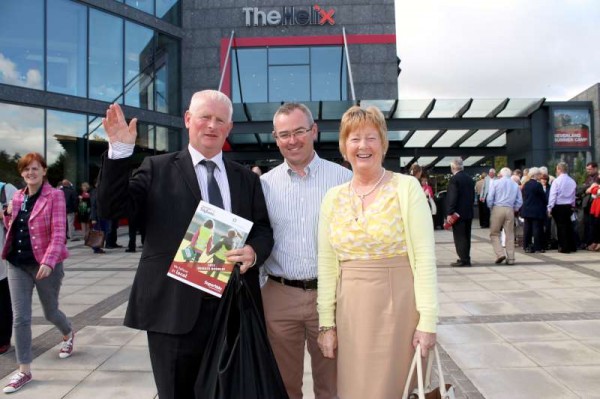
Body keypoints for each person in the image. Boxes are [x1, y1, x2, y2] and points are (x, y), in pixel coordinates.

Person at [97, 90, 274, 399]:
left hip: (231, 309)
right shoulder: (157, 168)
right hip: (174, 311)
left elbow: (262, 229)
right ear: (188, 120)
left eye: (220, 120)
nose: (211, 126)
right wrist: (120, 152)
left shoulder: (246, 179)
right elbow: (112, 210)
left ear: (229, 128)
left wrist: (254, 250)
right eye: (204, 117)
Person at [317, 106, 437, 399]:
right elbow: (327, 263)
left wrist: (428, 322)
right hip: (351, 312)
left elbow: (424, 259)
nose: (363, 146)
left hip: (398, 308)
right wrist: (326, 323)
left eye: (371, 138)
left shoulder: (406, 188)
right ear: (344, 148)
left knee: (393, 389)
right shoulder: (333, 197)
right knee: (354, 389)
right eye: (354, 139)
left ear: (383, 143)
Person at [260, 102, 352, 399]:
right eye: (284, 134)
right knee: (283, 386)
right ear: (276, 138)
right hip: (279, 297)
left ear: (314, 131)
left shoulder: (343, 180)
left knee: (333, 384)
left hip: (331, 296)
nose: (292, 140)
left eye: (299, 131)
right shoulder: (263, 185)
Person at [1, 153, 75, 394]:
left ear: (44, 171)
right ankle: (24, 370)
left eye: (35, 169)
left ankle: (68, 332)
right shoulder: (18, 197)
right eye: (26, 169)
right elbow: (14, 226)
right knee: (20, 317)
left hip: (45, 264)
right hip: (17, 263)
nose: (30, 173)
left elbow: (58, 233)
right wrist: (7, 215)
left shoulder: (55, 196)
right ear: (21, 173)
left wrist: (50, 261)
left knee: (50, 311)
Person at [487, 167, 523, 265]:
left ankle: (500, 253)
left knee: (494, 233)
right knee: (510, 234)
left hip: (497, 207)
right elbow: (519, 200)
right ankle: (511, 258)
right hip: (510, 209)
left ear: (501, 174)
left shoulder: (495, 183)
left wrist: (491, 207)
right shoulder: (515, 185)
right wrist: (515, 208)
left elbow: (490, 197)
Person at [446, 158, 475, 266]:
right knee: (467, 236)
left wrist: (450, 212)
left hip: (458, 214)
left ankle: (464, 259)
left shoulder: (454, 179)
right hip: (468, 212)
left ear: (453, 168)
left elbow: (452, 197)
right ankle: (466, 257)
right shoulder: (469, 179)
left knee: (459, 237)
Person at [0, 181, 18, 355]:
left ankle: (3, 339)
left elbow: (19, 218)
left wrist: (3, 214)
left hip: (2, 257)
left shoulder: (5, 189)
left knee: (3, 300)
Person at [547, 162, 577, 253]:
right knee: (568, 226)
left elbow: (553, 195)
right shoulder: (572, 181)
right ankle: (572, 245)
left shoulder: (556, 181)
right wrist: (573, 205)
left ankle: (564, 247)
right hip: (568, 206)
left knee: (561, 227)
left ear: (559, 169)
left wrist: (549, 208)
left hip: (558, 206)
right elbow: (573, 195)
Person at [520, 167, 547, 253]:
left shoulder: (526, 184)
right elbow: (543, 197)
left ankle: (526, 246)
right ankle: (537, 246)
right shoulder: (538, 185)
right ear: (535, 175)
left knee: (527, 229)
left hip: (527, 209)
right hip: (536, 210)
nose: (540, 176)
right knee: (536, 229)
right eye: (539, 174)